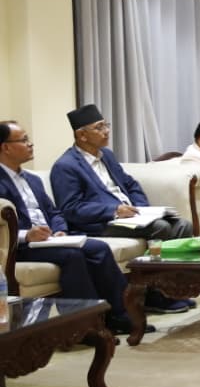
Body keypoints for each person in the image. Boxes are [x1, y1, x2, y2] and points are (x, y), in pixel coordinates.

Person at [0, 120, 151, 336]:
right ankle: (84, 328)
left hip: (49, 240)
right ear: (5, 147)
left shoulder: (32, 179)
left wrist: (59, 230)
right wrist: (27, 235)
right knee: (73, 256)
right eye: (24, 140)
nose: (30, 144)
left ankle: (120, 316)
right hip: (19, 247)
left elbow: (54, 212)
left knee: (98, 248)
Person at [50, 103, 192, 241]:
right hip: (100, 223)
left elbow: (130, 184)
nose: (106, 131)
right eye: (99, 127)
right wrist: (114, 211)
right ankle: (156, 258)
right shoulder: (65, 166)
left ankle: (173, 258)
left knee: (184, 225)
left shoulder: (107, 155)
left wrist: (141, 209)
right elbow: (71, 208)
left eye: (106, 125)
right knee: (161, 227)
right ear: (82, 135)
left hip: (131, 217)